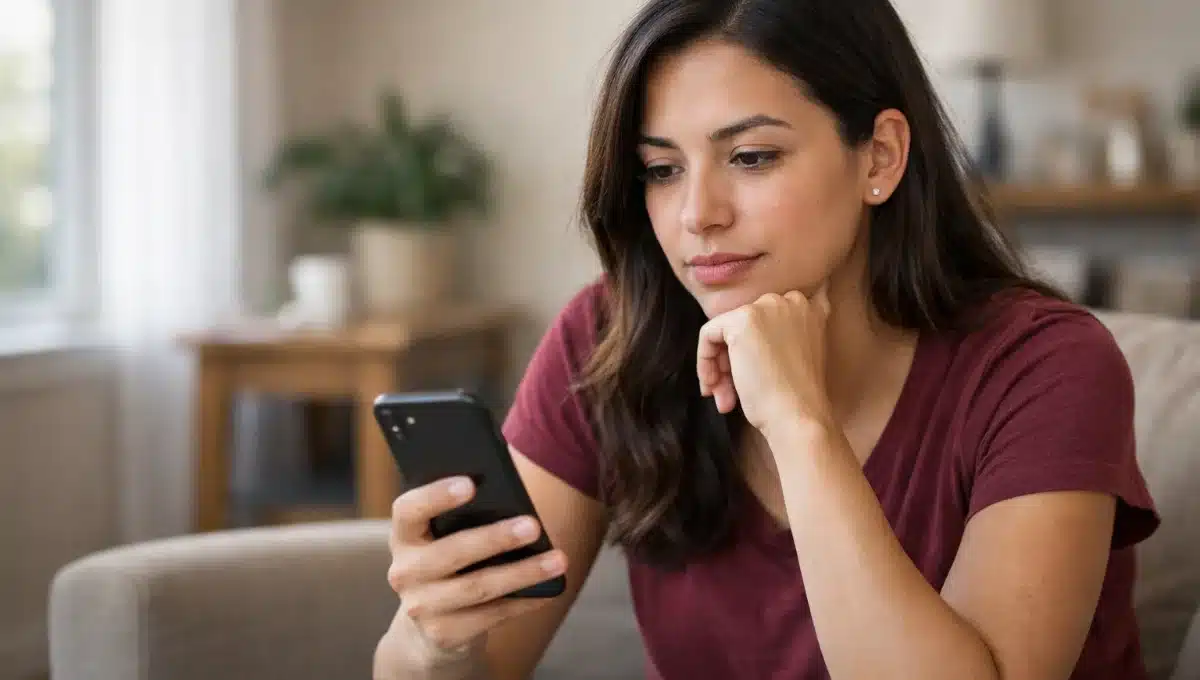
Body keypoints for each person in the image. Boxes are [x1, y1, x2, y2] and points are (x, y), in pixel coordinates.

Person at [373, 0, 1161, 678]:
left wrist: (798, 422)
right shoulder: (611, 339)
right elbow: (471, 666)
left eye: (751, 157)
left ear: (879, 157)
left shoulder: (1047, 367)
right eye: (660, 170)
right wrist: (433, 640)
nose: (697, 214)